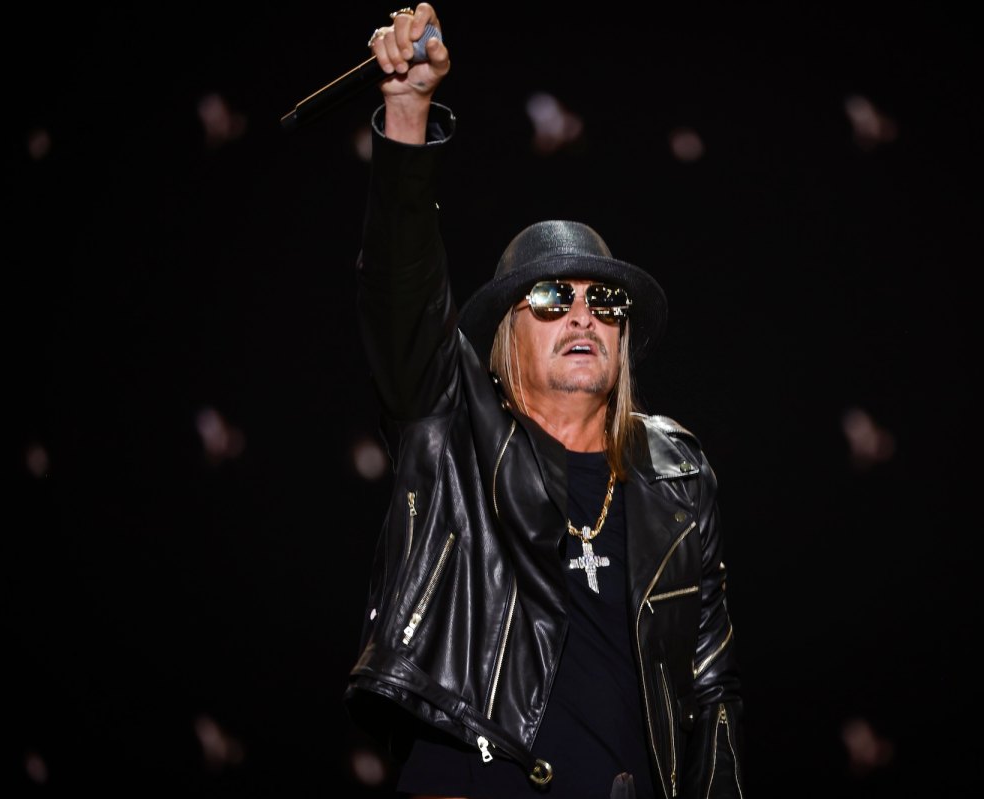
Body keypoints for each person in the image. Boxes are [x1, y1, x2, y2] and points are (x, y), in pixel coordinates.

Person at [342, 5, 746, 797]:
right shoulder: (454, 430)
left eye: (605, 301)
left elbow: (711, 686)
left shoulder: (677, 472)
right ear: (507, 332)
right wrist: (408, 110)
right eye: (554, 296)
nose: (584, 315)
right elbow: (401, 292)